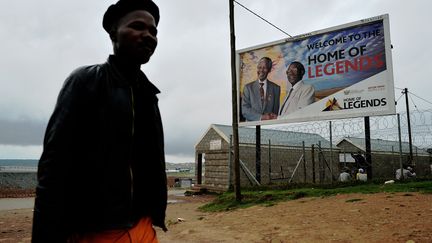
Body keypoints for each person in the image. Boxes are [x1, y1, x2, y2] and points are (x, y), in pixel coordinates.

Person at [32, 1, 167, 242]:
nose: (148, 36)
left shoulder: (148, 94)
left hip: (144, 229)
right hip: (97, 232)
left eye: (153, 31)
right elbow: (53, 168)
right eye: (138, 26)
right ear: (113, 32)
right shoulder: (86, 81)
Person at [241, 57, 280, 121]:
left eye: (264, 68)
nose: (261, 70)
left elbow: (275, 112)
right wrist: (261, 117)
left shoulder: (276, 88)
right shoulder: (248, 88)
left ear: (269, 70)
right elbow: (245, 110)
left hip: (268, 127)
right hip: (251, 128)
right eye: (259, 67)